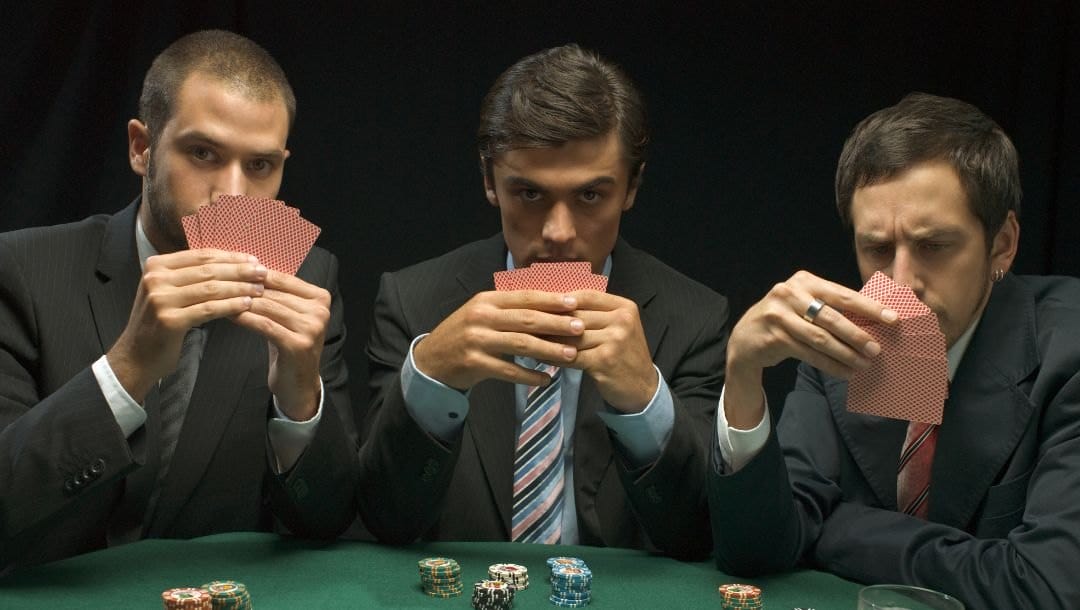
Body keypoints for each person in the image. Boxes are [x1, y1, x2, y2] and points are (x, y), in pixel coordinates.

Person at [0, 30, 358, 572]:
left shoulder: (307, 280)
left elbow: (329, 520)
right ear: (141, 148)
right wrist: (126, 370)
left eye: (260, 165)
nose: (232, 193)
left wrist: (299, 405)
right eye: (203, 153)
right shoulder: (22, 269)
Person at [709, 92, 1080, 607]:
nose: (901, 283)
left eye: (933, 246)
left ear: (1003, 244)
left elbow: (1045, 588)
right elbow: (757, 551)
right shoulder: (838, 346)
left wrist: (835, 528)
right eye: (878, 249)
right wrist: (743, 377)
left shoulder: (1068, 352)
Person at [359, 44, 728, 559]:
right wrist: (431, 381)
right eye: (530, 194)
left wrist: (646, 400)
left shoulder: (694, 319)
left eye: (590, 196)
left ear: (632, 188)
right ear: (489, 181)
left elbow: (699, 535)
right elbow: (383, 519)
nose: (558, 233)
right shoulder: (412, 301)